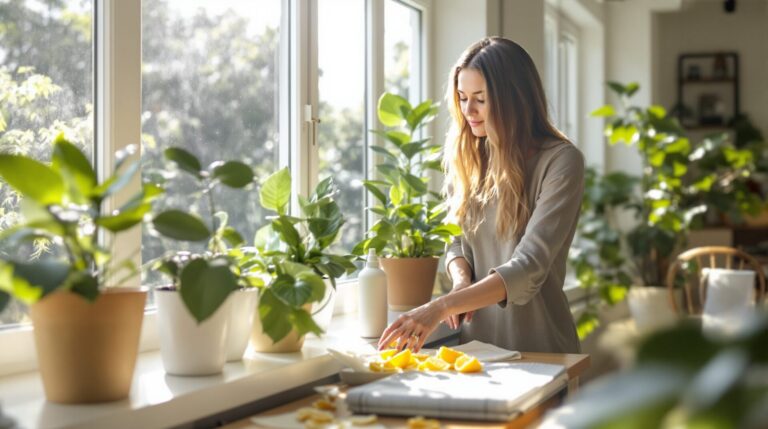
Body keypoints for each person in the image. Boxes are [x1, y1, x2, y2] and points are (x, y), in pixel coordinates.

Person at [378, 37, 584, 354]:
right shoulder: (468, 158)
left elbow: (529, 267)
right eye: (462, 98)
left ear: (513, 99)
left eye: (480, 100)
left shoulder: (560, 161)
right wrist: (461, 280)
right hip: (477, 351)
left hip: (543, 351)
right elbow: (455, 240)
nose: (468, 111)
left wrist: (440, 307)